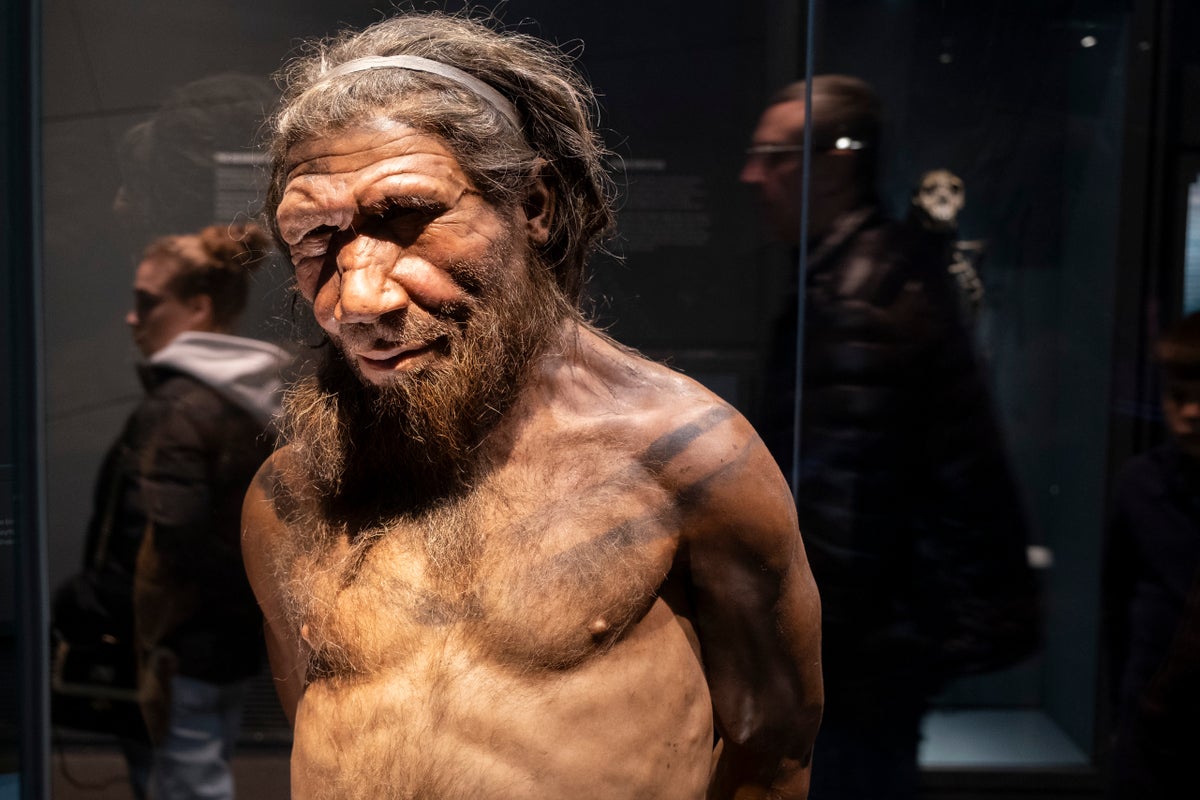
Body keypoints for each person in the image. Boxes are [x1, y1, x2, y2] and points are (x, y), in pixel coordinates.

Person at [241, 11, 823, 800]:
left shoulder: (688, 457)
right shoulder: (294, 491)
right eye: (316, 237)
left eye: (407, 216)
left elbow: (774, 753)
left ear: (535, 206)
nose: (358, 298)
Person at [741, 76, 1038, 799]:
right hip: (883, 634)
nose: (752, 175)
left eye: (774, 155)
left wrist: (795, 646)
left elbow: (846, 512)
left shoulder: (858, 294)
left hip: (863, 648)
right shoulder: (858, 272)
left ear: (835, 164)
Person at [67, 222, 291, 799]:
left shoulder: (176, 410)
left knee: (184, 785)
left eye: (147, 303)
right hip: (225, 645)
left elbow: (169, 545)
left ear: (198, 307)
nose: (131, 318)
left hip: (173, 655)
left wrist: (93, 604)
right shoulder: (249, 402)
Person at [1104, 312, 1200, 798]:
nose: (1192, 414)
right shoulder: (1142, 483)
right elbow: (1116, 601)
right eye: (1179, 397)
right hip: (1151, 720)